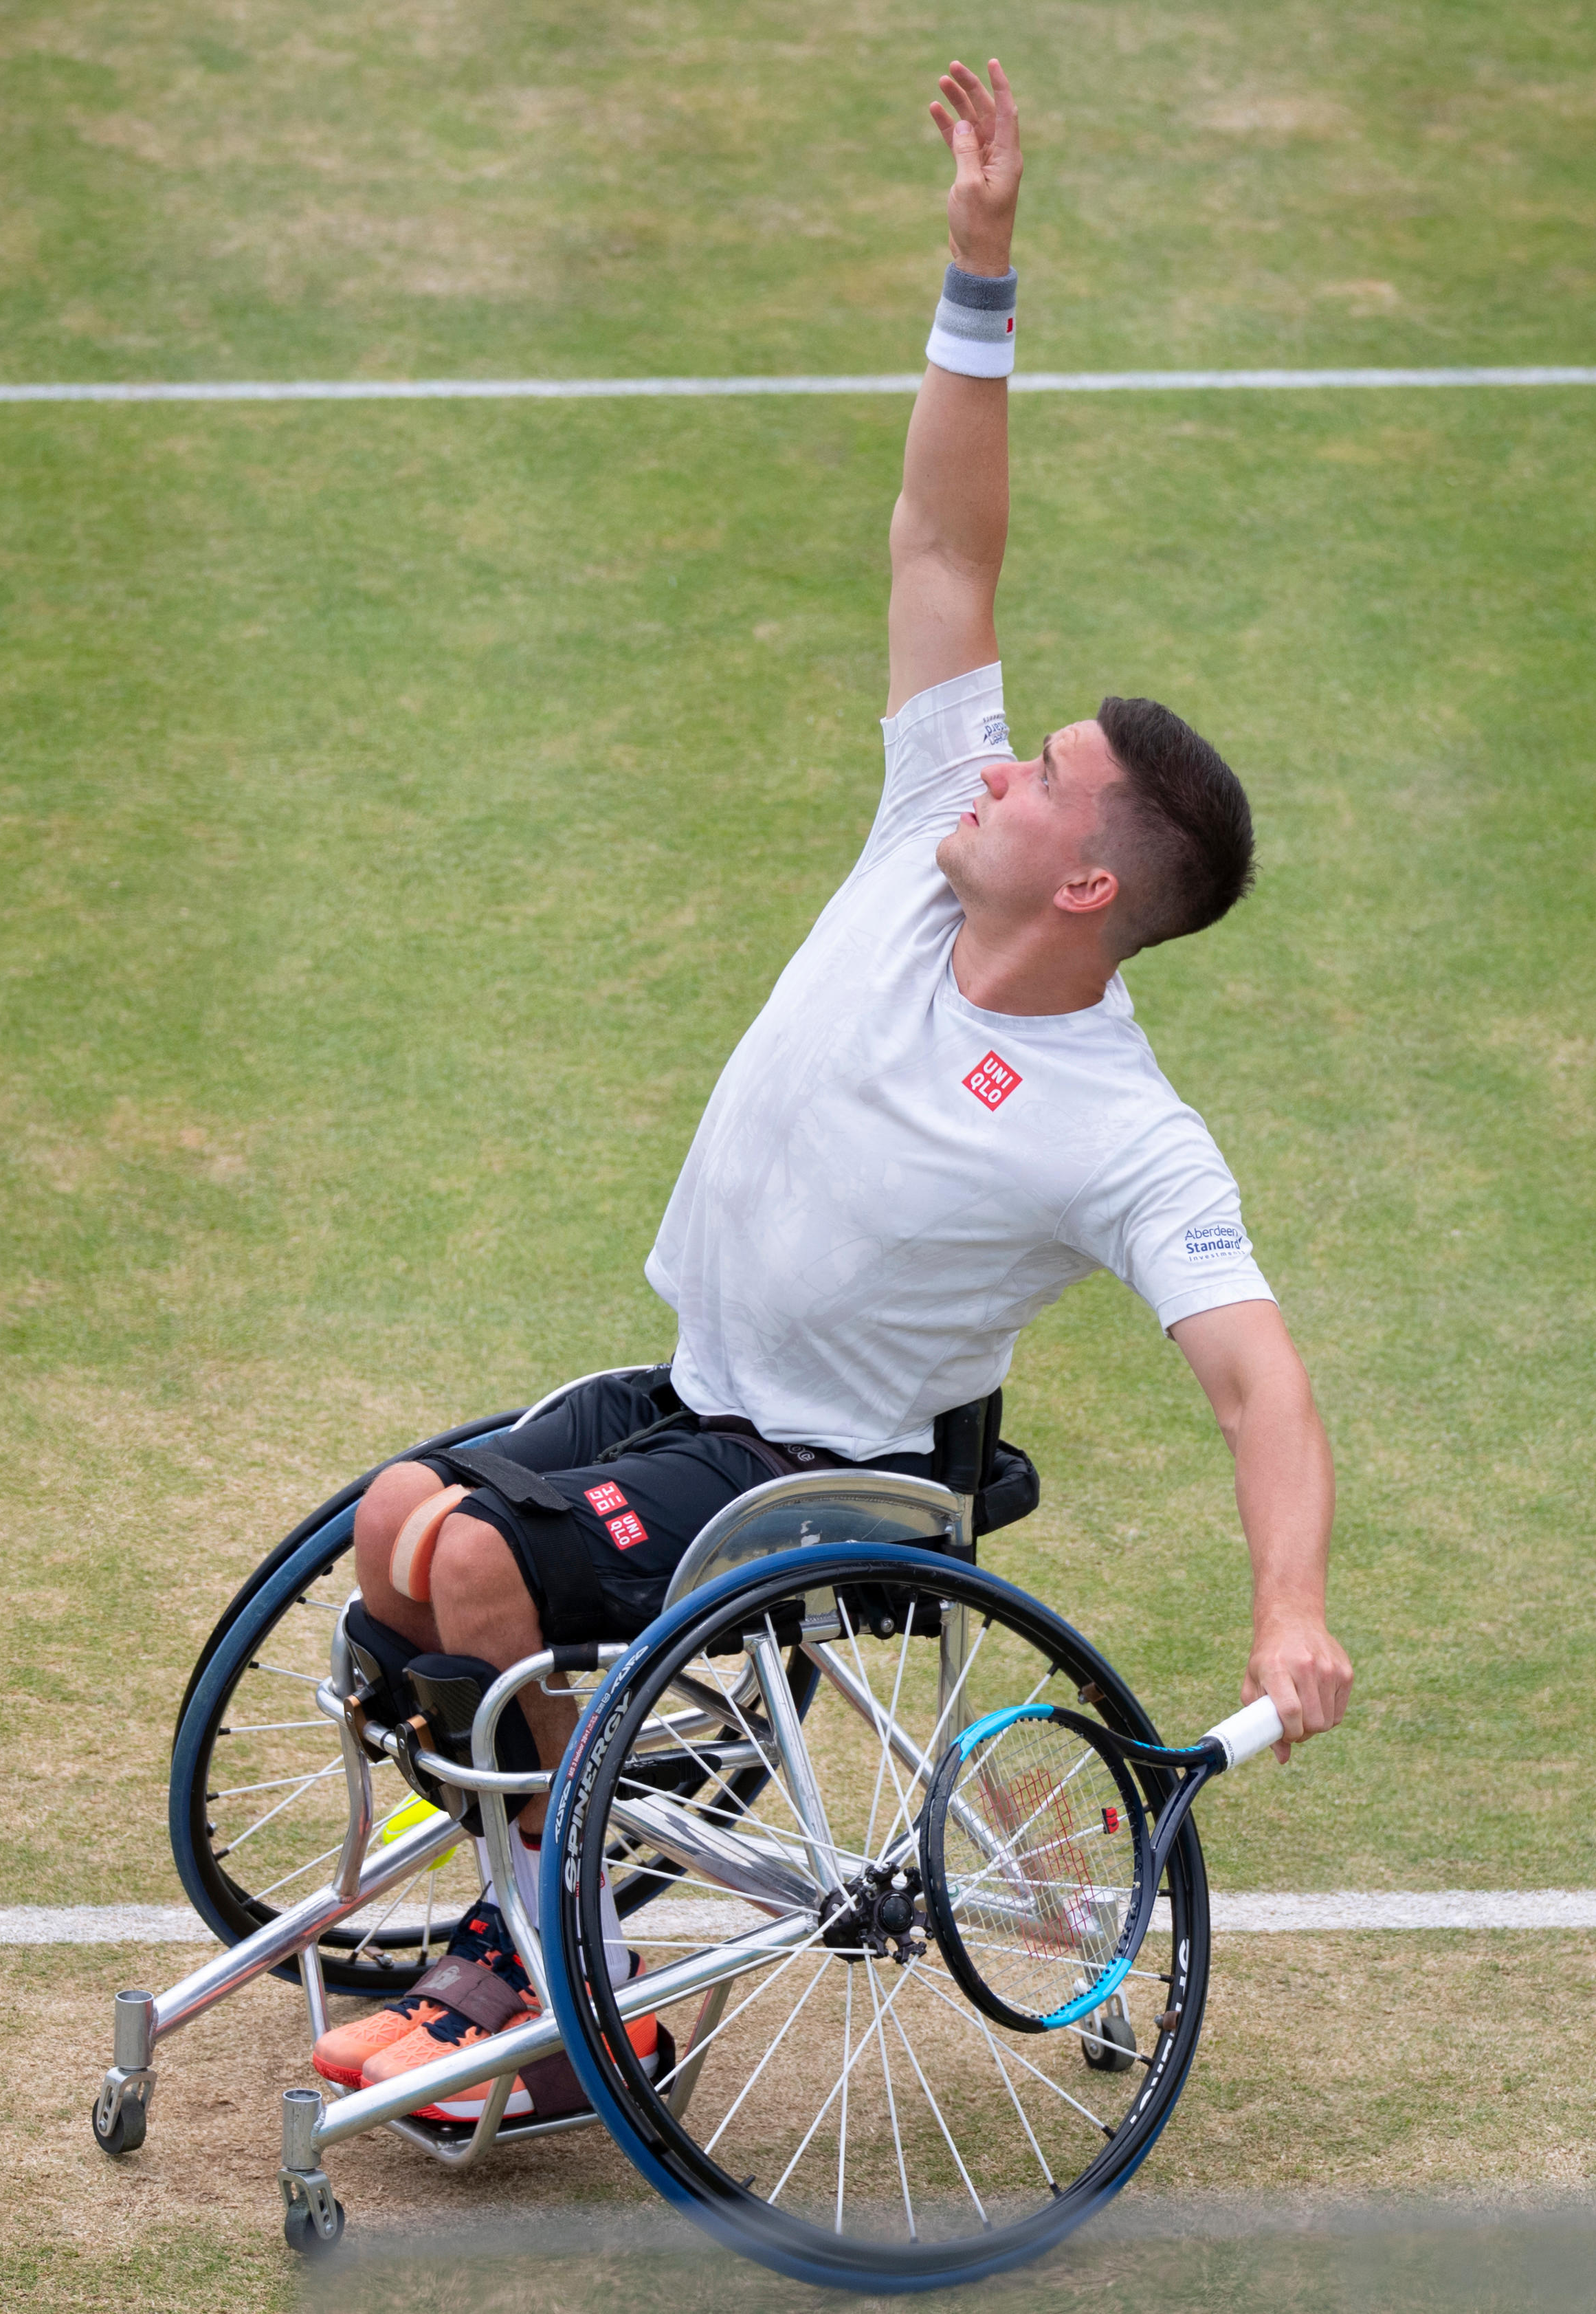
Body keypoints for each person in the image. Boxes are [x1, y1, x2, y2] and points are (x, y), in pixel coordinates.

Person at [312, 55, 1353, 2113]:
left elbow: (1257, 1376)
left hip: (826, 1480)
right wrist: (981, 268)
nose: (989, 759)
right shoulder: (919, 844)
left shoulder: (1121, 1132)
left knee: (474, 1571)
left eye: (1039, 774)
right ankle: (550, 1909)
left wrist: (1290, 1610)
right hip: (693, 1392)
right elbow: (940, 549)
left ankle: (551, 1967)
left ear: (1081, 876)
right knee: (393, 1527)